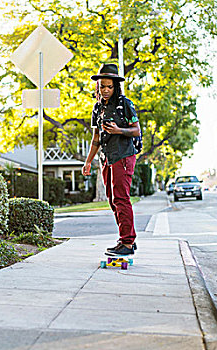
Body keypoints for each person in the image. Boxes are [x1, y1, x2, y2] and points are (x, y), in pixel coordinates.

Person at [81, 63, 141, 256]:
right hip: (106, 158)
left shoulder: (125, 104)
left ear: (116, 86)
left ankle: (127, 242)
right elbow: (96, 138)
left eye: (109, 86)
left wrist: (119, 130)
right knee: (112, 200)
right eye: (102, 86)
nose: (105, 90)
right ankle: (126, 238)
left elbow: (136, 130)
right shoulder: (97, 108)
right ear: (98, 87)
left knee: (121, 198)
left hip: (123, 155)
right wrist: (88, 161)